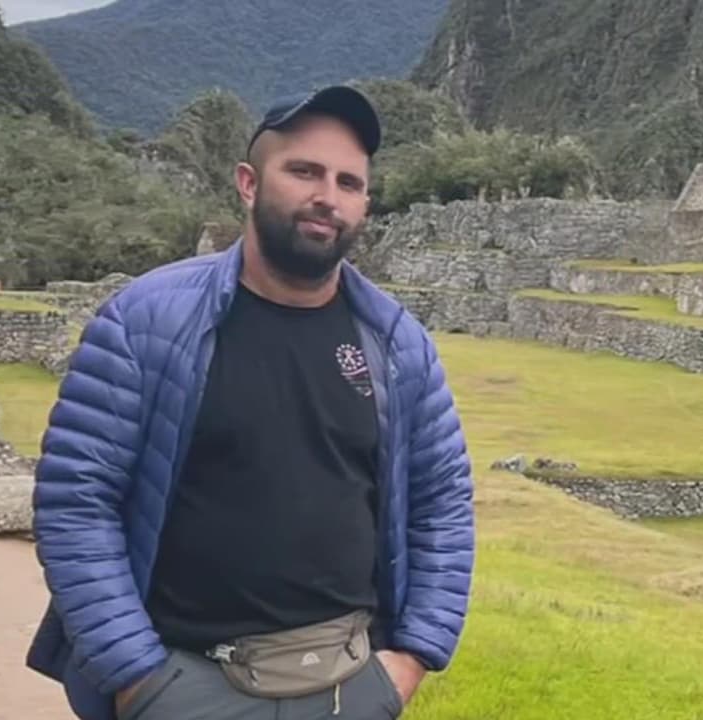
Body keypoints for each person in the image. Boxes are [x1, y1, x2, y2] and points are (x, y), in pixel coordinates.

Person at [24, 85, 476, 720]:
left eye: (349, 182)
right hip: (184, 681)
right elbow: (77, 502)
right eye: (303, 171)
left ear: (365, 203)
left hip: (351, 684)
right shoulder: (146, 322)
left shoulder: (397, 343)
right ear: (248, 182)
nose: (327, 196)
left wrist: (410, 662)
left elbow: (442, 504)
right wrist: (136, 677)